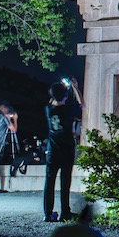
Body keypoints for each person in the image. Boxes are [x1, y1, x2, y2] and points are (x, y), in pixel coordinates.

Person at [43, 80, 82, 222]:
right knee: (65, 182)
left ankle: (48, 213)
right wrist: (75, 88)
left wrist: (59, 90)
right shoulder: (69, 109)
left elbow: (53, 99)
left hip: (52, 150)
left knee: (49, 181)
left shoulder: (48, 109)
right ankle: (65, 211)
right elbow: (81, 105)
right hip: (66, 149)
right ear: (65, 95)